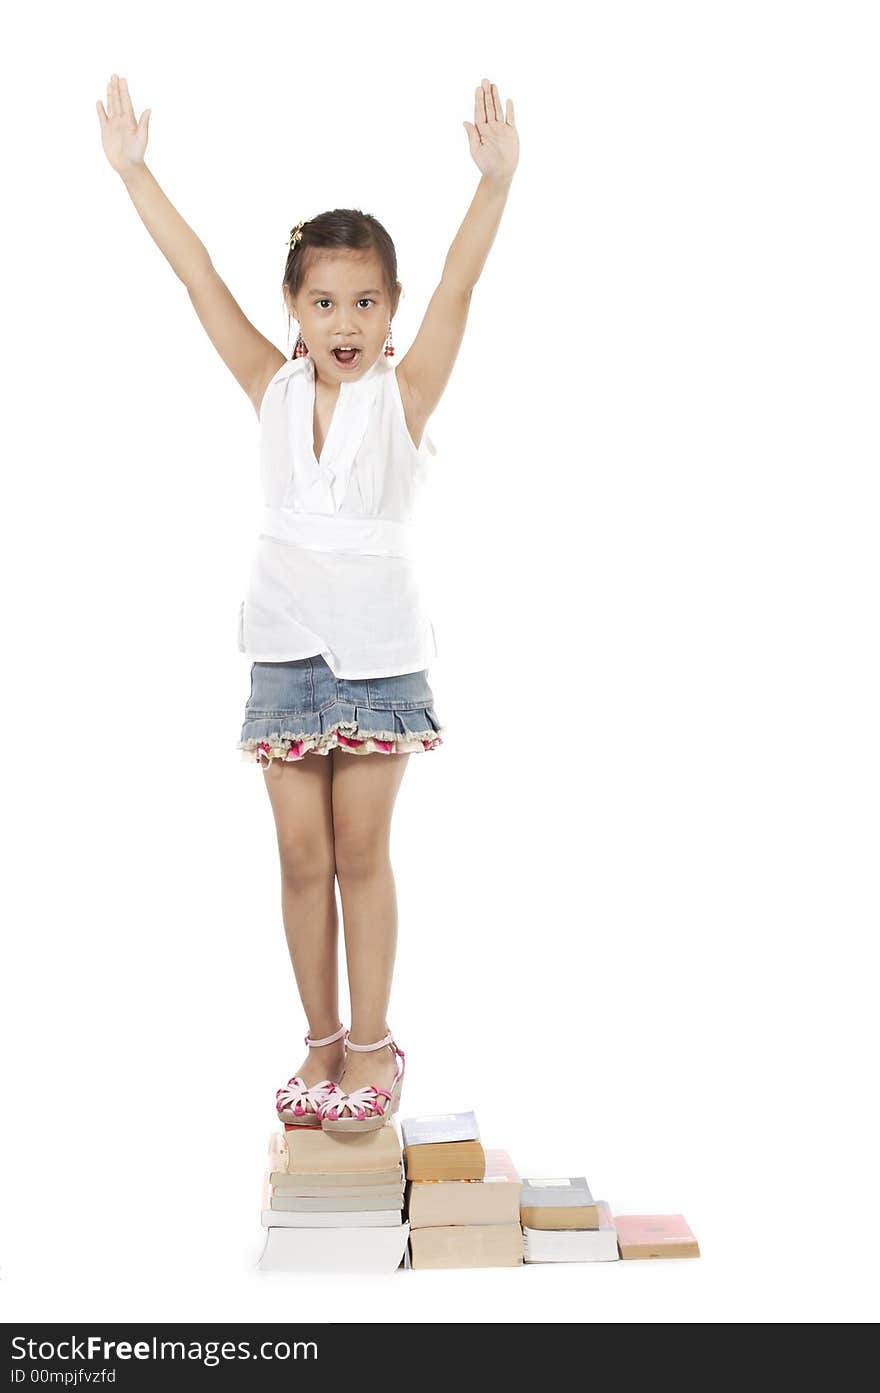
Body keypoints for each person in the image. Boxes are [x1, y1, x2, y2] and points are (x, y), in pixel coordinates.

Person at [96, 72, 519, 1132]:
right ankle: (320, 1040)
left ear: (390, 312)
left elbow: (462, 288)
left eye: (365, 302)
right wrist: (135, 170)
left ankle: (374, 1044)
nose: (344, 321)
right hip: (285, 651)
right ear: (293, 304)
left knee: (361, 850)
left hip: (376, 658)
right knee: (298, 854)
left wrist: (494, 186)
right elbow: (195, 279)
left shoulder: (402, 396)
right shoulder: (271, 388)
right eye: (323, 300)